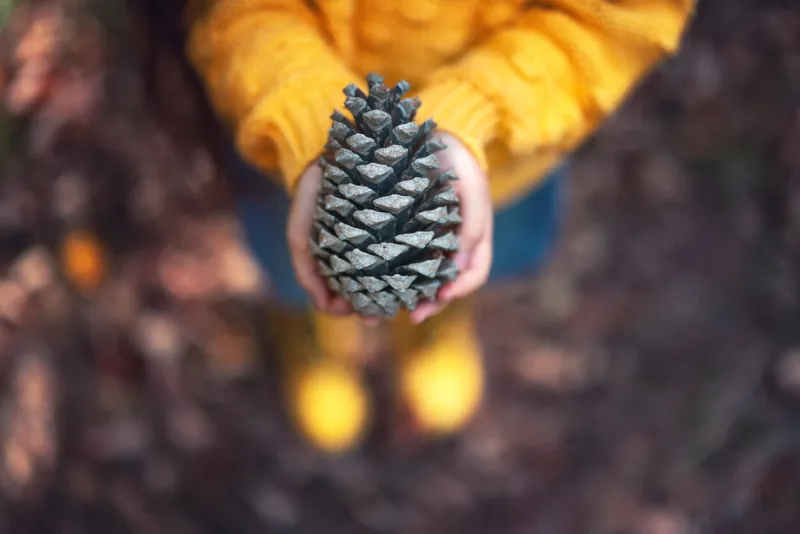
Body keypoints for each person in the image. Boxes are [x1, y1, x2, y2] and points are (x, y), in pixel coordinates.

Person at [182, 0, 695, 453]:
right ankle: (315, 328)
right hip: (300, 151)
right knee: (293, 261)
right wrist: (323, 125)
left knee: (469, 248)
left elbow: (624, 15)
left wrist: (470, 113)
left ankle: (434, 319)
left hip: (505, 150)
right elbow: (230, 9)